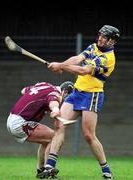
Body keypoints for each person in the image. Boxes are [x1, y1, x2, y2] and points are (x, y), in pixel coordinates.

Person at [38, 25, 120, 179]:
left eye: (105, 37)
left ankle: (106, 170)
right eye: (100, 35)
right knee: (59, 124)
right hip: (76, 92)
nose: (100, 38)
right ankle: (50, 165)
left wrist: (61, 66)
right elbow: (77, 59)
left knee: (89, 136)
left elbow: (84, 70)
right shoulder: (93, 47)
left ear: (112, 41)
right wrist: (62, 64)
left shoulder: (108, 59)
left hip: (92, 95)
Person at [6, 81, 74, 178]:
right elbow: (53, 102)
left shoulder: (43, 85)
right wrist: (55, 109)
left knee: (47, 141)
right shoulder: (56, 94)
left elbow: (23, 91)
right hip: (20, 123)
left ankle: (41, 170)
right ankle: (48, 170)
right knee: (54, 137)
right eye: (69, 97)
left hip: (11, 119)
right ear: (65, 92)